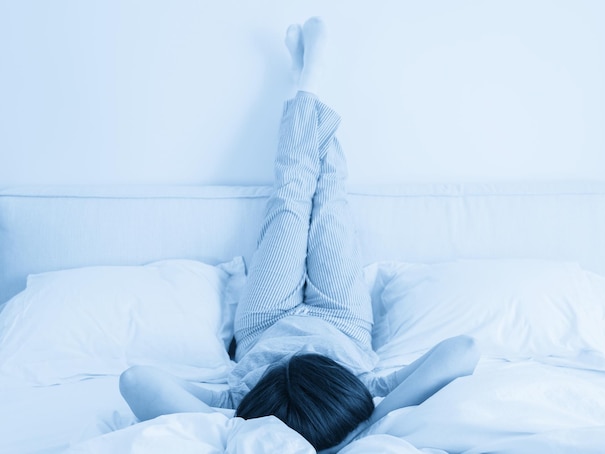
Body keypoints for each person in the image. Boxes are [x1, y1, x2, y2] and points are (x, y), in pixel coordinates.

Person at [119, 17, 480, 453]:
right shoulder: (364, 390)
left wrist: (239, 423)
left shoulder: (237, 404)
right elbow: (463, 350)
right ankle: (309, 79)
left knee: (290, 199)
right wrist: (369, 422)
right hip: (344, 324)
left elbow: (134, 380)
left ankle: (308, 78)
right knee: (330, 198)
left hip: (265, 322)